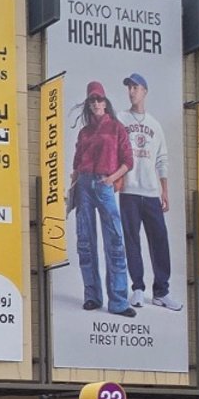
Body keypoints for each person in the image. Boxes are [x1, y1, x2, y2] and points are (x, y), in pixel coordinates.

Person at [71, 81, 136, 318]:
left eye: (100, 99)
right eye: (92, 100)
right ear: (88, 104)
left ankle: (118, 301)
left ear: (105, 102)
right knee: (85, 242)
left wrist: (112, 179)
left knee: (115, 241)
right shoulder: (84, 132)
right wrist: (72, 189)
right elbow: (77, 163)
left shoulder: (117, 128)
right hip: (84, 186)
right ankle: (92, 295)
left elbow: (128, 161)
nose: (97, 103)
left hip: (104, 184)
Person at [118, 72, 179, 311]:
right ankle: (138, 288)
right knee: (132, 240)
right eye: (129, 88)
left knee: (159, 241)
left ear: (144, 91)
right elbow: (113, 149)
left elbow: (162, 158)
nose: (131, 91)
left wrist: (165, 190)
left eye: (136, 87)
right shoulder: (120, 119)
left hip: (151, 192)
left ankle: (161, 292)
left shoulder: (155, 125)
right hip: (129, 192)